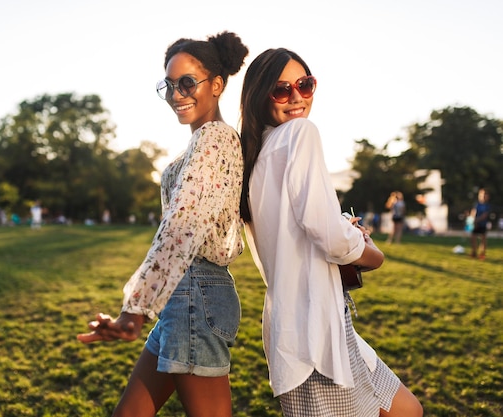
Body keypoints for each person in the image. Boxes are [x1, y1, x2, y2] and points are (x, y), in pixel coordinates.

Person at [239, 48, 423, 417]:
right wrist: (372, 253)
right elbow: (325, 231)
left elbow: (308, 222)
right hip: (313, 334)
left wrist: (341, 225)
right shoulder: (299, 134)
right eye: (281, 89)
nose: (297, 97)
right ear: (260, 95)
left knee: (407, 409)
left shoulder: (256, 157)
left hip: (309, 326)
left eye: (305, 85)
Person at [77, 31, 249, 417]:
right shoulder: (202, 143)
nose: (176, 94)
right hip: (183, 296)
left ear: (217, 85)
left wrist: (136, 309)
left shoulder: (215, 138)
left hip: (197, 296)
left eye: (187, 82)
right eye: (169, 85)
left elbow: (181, 227)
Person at [470, 188, 491, 260]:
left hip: (482, 224)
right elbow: (473, 212)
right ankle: (474, 252)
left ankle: (482, 253)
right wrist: (472, 219)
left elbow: (485, 215)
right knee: (473, 237)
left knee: (483, 238)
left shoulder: (487, 205)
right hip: (476, 223)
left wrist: (477, 220)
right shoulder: (477, 204)